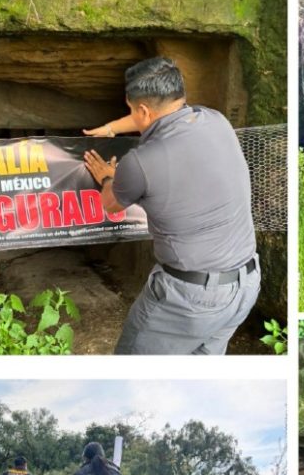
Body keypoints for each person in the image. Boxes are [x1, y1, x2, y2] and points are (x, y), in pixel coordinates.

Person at [82, 56, 261, 355]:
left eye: (131, 110)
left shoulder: (139, 163)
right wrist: (113, 128)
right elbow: (158, 116)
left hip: (189, 299)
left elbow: (111, 205)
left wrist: (108, 178)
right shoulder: (215, 120)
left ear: (141, 110)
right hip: (245, 284)